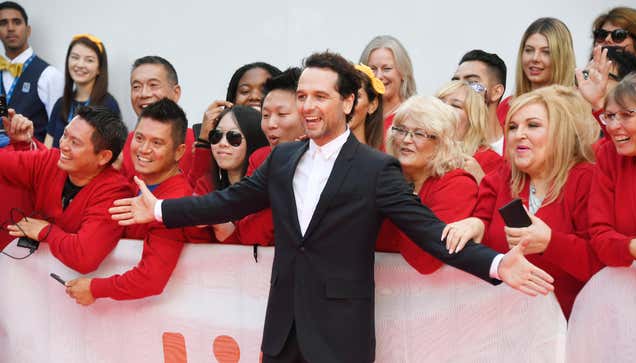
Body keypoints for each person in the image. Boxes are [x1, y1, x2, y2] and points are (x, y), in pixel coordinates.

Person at [110, 51, 554, 363]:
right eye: (303, 96)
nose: (308, 106)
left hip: (342, 335)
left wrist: (497, 265)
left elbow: (426, 232)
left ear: (348, 102)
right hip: (282, 330)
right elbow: (228, 200)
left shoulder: (376, 169)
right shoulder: (282, 158)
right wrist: (163, 212)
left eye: (320, 97)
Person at [443, 85, 603, 318]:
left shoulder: (586, 180)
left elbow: (600, 263)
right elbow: (483, 223)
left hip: (567, 328)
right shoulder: (501, 177)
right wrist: (474, 224)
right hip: (501, 323)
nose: (519, 134)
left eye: (533, 125)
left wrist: (551, 243)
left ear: (561, 132)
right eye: (513, 127)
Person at [65, 98, 210, 305]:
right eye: (139, 138)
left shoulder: (174, 202)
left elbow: (151, 279)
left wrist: (94, 288)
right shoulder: (134, 184)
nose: (143, 149)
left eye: (157, 142)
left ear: (179, 151)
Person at [1, 105, 130, 273]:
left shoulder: (115, 193)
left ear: (103, 156)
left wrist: (46, 231)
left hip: (81, 290)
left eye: (75, 142)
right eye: (65, 135)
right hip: (35, 278)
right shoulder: (50, 160)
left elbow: (85, 257)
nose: (64, 145)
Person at [375, 95, 478, 271]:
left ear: (441, 143)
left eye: (419, 133)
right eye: (400, 130)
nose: (406, 139)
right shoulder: (382, 176)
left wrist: (403, 201)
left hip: (431, 295)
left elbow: (425, 260)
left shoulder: (458, 185)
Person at [214, 67, 305, 247]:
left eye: (282, 114)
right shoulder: (260, 158)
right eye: (265, 115)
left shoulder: (327, 162)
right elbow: (249, 232)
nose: (271, 124)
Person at [191, 62, 280, 186]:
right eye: (245, 91)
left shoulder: (292, 141)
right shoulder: (211, 140)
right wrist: (204, 140)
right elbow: (197, 192)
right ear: (231, 101)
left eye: (234, 138)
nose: (254, 96)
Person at [588, 73, 636, 267]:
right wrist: (630, 247)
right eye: (610, 116)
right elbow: (599, 234)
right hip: (627, 279)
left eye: (627, 115)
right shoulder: (609, 156)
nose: (612, 127)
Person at [193, 105, 269, 244]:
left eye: (233, 137)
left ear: (253, 139)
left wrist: (221, 226)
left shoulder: (265, 192)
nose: (222, 143)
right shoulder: (206, 185)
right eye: (216, 136)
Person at [120, 56, 194, 180]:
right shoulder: (128, 143)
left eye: (153, 85)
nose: (144, 94)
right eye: (136, 87)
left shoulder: (195, 144)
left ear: (176, 93)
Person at [0, 1, 63, 143]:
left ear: (28, 30)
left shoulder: (49, 75)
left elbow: (58, 130)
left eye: (16, 22)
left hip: (32, 161)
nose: (10, 28)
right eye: (3, 23)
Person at [45, 34, 120, 148]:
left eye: (89, 60)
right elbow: (47, 149)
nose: (80, 64)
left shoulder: (108, 105)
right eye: (75, 57)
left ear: (99, 68)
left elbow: (113, 155)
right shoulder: (61, 104)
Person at [498, 18, 576, 125]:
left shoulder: (576, 110)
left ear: (562, 58)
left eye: (546, 52)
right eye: (529, 50)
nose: (535, 58)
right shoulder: (506, 106)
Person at [436, 80, 503, 181]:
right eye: (440, 102)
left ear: (472, 119)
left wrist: (481, 180)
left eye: (455, 105)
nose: (444, 108)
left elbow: (503, 196)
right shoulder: (419, 148)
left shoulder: (490, 160)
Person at [451, 49, 507, 152]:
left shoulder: (516, 144)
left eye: (472, 82)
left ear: (496, 92)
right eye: (455, 81)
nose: (460, 87)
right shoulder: (447, 145)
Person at [359, 35, 416, 134]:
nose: (378, 76)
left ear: (403, 72)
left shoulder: (414, 117)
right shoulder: (358, 116)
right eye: (372, 69)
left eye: (387, 69)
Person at [349, 63, 384, 149]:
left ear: (372, 105)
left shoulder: (378, 161)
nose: (348, 104)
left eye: (356, 96)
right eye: (343, 95)